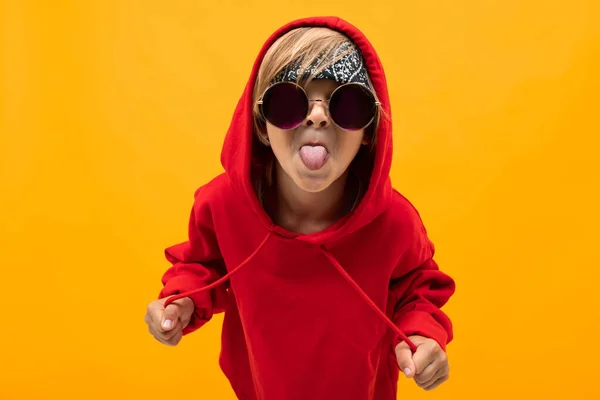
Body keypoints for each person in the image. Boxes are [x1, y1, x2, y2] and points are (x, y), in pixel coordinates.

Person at [144, 16, 456, 400]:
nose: (318, 115)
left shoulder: (394, 221)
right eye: (289, 101)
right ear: (260, 124)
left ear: (369, 132)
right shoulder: (222, 204)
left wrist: (424, 336)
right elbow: (204, 264)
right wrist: (182, 300)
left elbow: (417, 289)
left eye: (348, 104)